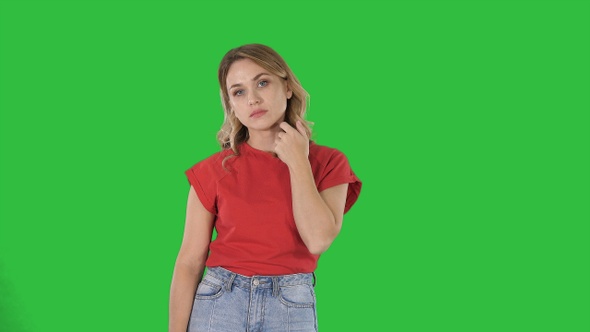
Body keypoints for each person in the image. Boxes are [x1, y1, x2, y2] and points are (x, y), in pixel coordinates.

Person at [169, 44, 362, 332]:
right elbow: (189, 261)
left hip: (290, 306)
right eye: (239, 91)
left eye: (262, 82)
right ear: (231, 104)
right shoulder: (213, 170)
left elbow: (318, 239)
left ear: (286, 87)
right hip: (220, 302)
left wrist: (298, 161)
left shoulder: (328, 162)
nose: (253, 99)